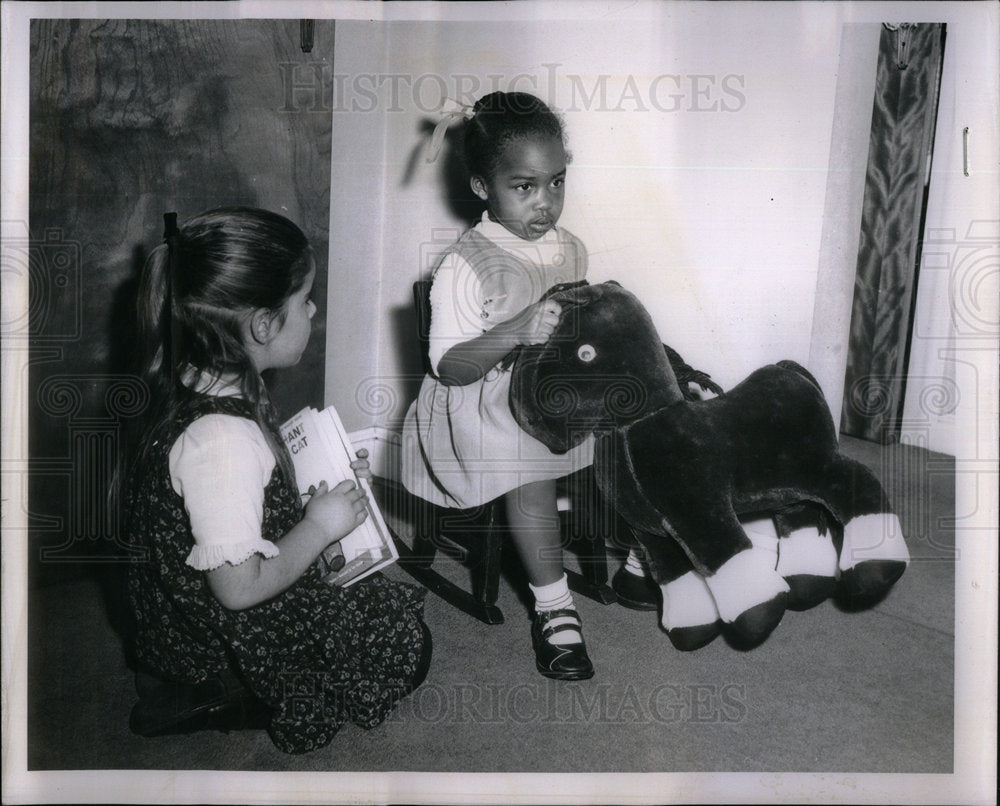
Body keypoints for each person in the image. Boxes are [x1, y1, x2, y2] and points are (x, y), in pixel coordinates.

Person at [122, 207, 430, 754]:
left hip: (187, 605)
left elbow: (238, 494)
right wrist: (317, 527)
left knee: (372, 598)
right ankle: (218, 690)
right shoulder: (221, 441)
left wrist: (316, 487)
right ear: (263, 325)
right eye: (304, 300)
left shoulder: (197, 376)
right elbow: (238, 591)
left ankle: (205, 680)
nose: (313, 310)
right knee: (404, 644)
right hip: (214, 631)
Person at [402, 91, 596, 681]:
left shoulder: (569, 249)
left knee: (640, 423)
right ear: (483, 187)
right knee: (530, 469)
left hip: (548, 393)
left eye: (557, 182)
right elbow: (450, 369)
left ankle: (648, 555)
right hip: (480, 404)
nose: (546, 204)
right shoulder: (465, 265)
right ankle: (555, 609)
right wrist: (515, 329)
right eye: (525, 186)